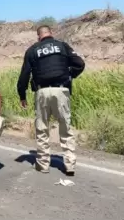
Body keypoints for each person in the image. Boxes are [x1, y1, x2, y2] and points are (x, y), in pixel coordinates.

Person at [16, 25, 85, 176]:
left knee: (42, 129)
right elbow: (80, 64)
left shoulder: (32, 50)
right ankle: (70, 165)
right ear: (51, 34)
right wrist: (69, 75)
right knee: (65, 128)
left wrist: (22, 95)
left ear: (38, 36)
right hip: (61, 90)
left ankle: (43, 165)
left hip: (42, 92)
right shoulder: (62, 46)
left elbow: (24, 76)